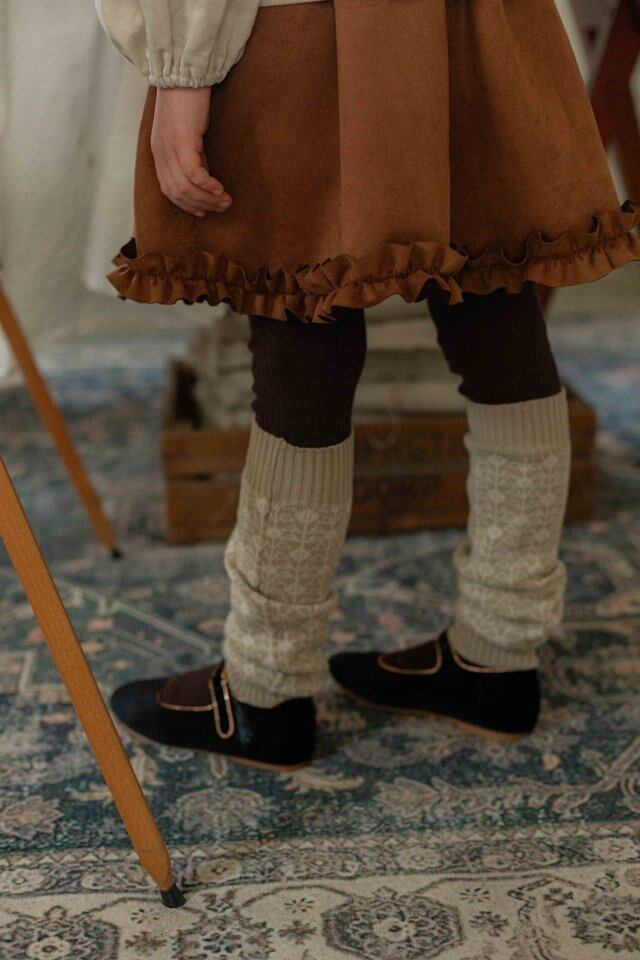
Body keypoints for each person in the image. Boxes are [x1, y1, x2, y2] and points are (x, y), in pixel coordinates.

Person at [97, 0, 639, 769]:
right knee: (494, 284)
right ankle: (498, 655)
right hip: (477, 22)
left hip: (307, 20)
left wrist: (183, 75)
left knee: (300, 294)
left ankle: (264, 691)